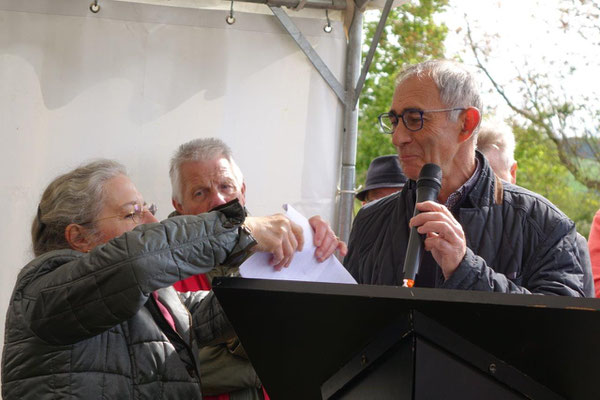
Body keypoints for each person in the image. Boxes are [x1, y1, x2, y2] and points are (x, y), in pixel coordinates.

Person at [2, 159, 307, 400]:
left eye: (149, 209)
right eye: (132, 213)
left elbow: (221, 307)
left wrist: (296, 260)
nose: (150, 221)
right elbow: (135, 260)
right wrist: (240, 230)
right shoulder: (43, 286)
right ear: (79, 237)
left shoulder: (152, 297)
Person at [344, 59, 584, 296]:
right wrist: (314, 254)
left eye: (414, 119)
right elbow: (349, 323)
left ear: (466, 123)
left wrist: (465, 269)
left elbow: (560, 329)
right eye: (395, 121)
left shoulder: (543, 223)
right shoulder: (370, 220)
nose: (397, 138)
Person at [169, 138, 346, 399]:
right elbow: (166, 368)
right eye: (200, 192)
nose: (218, 200)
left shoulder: (283, 248)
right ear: (179, 206)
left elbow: (325, 341)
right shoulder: (163, 271)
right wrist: (273, 363)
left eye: (226, 186)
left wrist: (311, 245)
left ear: (242, 190)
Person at [477, 123, 594, 297]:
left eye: (494, 183)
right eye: (476, 182)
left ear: (513, 172)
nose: (483, 191)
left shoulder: (563, 238)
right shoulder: (447, 234)